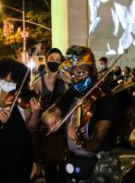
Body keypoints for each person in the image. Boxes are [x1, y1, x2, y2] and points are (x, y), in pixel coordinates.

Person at [42, 45, 120, 183]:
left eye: (81, 71)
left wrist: (80, 140)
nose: (76, 76)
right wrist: (50, 117)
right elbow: (48, 113)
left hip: (101, 162)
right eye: (73, 71)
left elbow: (95, 143)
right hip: (74, 160)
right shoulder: (74, 91)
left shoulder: (105, 96)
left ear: (92, 70)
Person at [0, 57, 41, 183]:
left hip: (17, 156)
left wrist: (36, 111)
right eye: (5, 77)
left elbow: (31, 127)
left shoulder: (22, 98)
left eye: (12, 78)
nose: (8, 80)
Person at [32, 48, 69, 183]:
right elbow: (34, 107)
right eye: (51, 59)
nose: (54, 62)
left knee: (65, 166)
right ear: (47, 60)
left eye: (57, 60)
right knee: (49, 167)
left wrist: (69, 81)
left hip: (63, 128)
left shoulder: (65, 81)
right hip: (46, 129)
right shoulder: (38, 83)